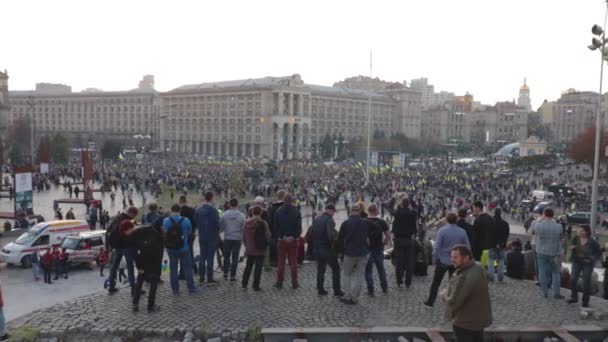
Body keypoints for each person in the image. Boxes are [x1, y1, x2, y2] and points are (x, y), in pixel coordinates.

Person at [442, 245, 492, 342]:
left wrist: (443, 295)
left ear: (466, 258)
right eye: (451, 256)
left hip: (464, 323)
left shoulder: (464, 276)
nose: (452, 260)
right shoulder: (479, 266)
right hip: (478, 321)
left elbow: (454, 302)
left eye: (456, 257)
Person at [423, 212, 470, 308]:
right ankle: (453, 302)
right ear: (456, 220)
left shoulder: (442, 231)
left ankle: (430, 301)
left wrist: (434, 259)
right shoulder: (462, 231)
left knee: (436, 282)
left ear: (447, 220)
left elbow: (436, 248)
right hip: (456, 262)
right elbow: (468, 247)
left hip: (443, 260)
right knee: (454, 283)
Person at [337, 205, 371, 305]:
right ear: (360, 212)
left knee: (346, 274)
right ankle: (355, 297)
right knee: (360, 275)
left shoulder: (346, 223)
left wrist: (339, 252)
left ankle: (347, 296)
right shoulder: (365, 223)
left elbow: (340, 239)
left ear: (351, 212)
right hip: (363, 252)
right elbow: (372, 233)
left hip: (349, 252)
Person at [163, 204, 198, 294]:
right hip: (184, 248)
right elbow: (190, 232)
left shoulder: (166, 220)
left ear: (171, 210)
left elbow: (165, 234)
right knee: (187, 268)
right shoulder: (186, 220)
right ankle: (191, 288)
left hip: (171, 249)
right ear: (180, 210)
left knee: (173, 269)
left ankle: (175, 290)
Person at [310, 204, 343, 296]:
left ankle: (320, 289)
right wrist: (334, 243)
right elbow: (330, 235)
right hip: (326, 248)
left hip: (317, 248)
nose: (333, 214)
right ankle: (337, 291)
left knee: (321, 269)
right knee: (336, 269)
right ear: (330, 211)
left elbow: (311, 232)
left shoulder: (317, 219)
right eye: (333, 212)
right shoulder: (329, 220)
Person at [531, 207, 564, 299]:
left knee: (542, 271)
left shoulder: (538, 225)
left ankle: (545, 292)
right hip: (554, 252)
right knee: (556, 273)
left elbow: (532, 230)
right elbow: (561, 240)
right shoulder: (559, 226)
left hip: (541, 251)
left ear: (544, 214)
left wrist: (540, 219)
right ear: (553, 215)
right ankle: (556, 293)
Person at [131, 223, 164, 313]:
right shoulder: (158, 238)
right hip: (154, 265)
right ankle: (150, 306)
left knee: (139, 282)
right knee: (153, 285)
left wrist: (138, 265)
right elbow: (159, 255)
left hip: (141, 263)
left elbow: (136, 252)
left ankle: (135, 303)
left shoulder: (140, 236)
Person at [107, 206, 139, 295]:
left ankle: (111, 286)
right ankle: (134, 288)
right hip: (125, 245)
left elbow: (109, 230)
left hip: (116, 245)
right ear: (131, 213)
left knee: (114, 266)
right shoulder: (127, 221)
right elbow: (129, 234)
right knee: (130, 266)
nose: (134, 217)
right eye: (134, 215)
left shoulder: (117, 218)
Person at [273, 193, 302, 289]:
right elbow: (299, 227)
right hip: (293, 240)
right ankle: (294, 282)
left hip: (282, 240)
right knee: (293, 262)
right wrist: (294, 236)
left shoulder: (278, 211)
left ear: (283, 200)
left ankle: (279, 282)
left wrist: (283, 236)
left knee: (281, 262)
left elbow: (276, 227)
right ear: (291, 200)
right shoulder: (296, 211)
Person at [568, 225, 601, 308]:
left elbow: (599, 252)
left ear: (587, 232)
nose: (579, 232)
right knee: (573, 279)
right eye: (579, 230)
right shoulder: (576, 238)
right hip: (577, 261)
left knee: (586, 282)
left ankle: (585, 301)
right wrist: (572, 248)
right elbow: (572, 246)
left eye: (581, 231)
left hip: (587, 264)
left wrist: (593, 259)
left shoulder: (593, 242)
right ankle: (574, 297)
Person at [242, 205, 271, 291]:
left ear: (252, 212)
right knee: (258, 267)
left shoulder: (246, 222)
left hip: (250, 248)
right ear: (261, 212)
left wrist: (246, 245)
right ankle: (256, 286)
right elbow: (268, 235)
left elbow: (243, 236)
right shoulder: (263, 223)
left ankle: (244, 284)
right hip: (260, 248)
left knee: (248, 266)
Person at [365, 203, 390, 296]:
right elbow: (388, 235)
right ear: (376, 210)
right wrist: (384, 243)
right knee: (381, 268)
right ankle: (384, 287)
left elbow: (364, 236)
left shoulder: (364, 221)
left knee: (368, 270)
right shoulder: (382, 222)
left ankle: (370, 290)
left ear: (368, 210)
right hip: (378, 248)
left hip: (367, 249)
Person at [195, 192, 221, 285]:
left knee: (202, 257)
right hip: (212, 236)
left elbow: (196, 222)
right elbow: (217, 224)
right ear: (212, 198)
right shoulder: (214, 210)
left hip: (202, 235)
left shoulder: (198, 210)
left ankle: (201, 277)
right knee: (210, 257)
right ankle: (209, 277)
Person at [391, 197, 417, 288]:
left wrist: (394, 198)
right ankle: (408, 282)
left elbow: (390, 208)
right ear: (408, 204)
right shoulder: (412, 213)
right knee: (409, 262)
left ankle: (399, 281)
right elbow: (416, 207)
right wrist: (411, 200)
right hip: (409, 239)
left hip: (398, 239)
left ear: (401, 204)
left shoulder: (397, 213)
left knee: (399, 261)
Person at [220, 198, 246, 281]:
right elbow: (243, 228)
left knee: (226, 256)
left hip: (227, 237)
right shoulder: (242, 215)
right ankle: (232, 275)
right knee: (235, 257)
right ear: (237, 204)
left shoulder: (224, 214)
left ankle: (225, 273)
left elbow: (221, 228)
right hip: (237, 238)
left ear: (229, 204)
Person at [487, 208, 510, 283]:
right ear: (501, 213)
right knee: (501, 260)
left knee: (491, 260)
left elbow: (488, 235)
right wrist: (501, 243)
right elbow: (506, 235)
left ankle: (491, 277)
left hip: (491, 244)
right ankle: (500, 278)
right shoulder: (505, 223)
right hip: (502, 245)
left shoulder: (490, 223)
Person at [267, 190, 286, 268]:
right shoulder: (288, 207)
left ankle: (274, 261)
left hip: (274, 233)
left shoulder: (272, 208)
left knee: (275, 248)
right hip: (286, 233)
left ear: (277, 196)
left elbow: (269, 221)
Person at [179, 196, 197, 278]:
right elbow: (195, 222)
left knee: (182, 252)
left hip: (181, 234)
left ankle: (182, 272)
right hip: (191, 233)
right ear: (186, 201)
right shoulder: (192, 210)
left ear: (180, 201)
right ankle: (193, 267)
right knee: (190, 251)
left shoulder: (179, 211)